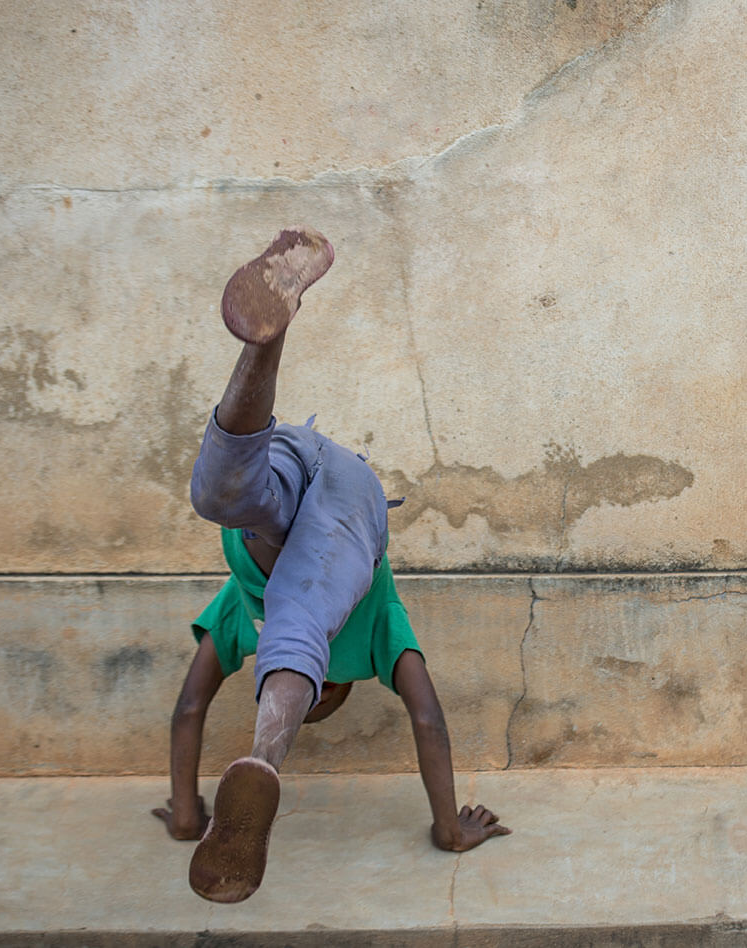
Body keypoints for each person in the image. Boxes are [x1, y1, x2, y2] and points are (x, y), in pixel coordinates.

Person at [151, 228, 509, 903]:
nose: (313, 690)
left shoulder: (237, 614)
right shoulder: (376, 628)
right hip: (348, 492)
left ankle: (268, 338)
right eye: (318, 693)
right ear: (337, 686)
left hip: (288, 461)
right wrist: (450, 829)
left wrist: (188, 813)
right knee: (301, 616)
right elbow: (427, 719)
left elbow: (191, 705)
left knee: (223, 495)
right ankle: (264, 758)